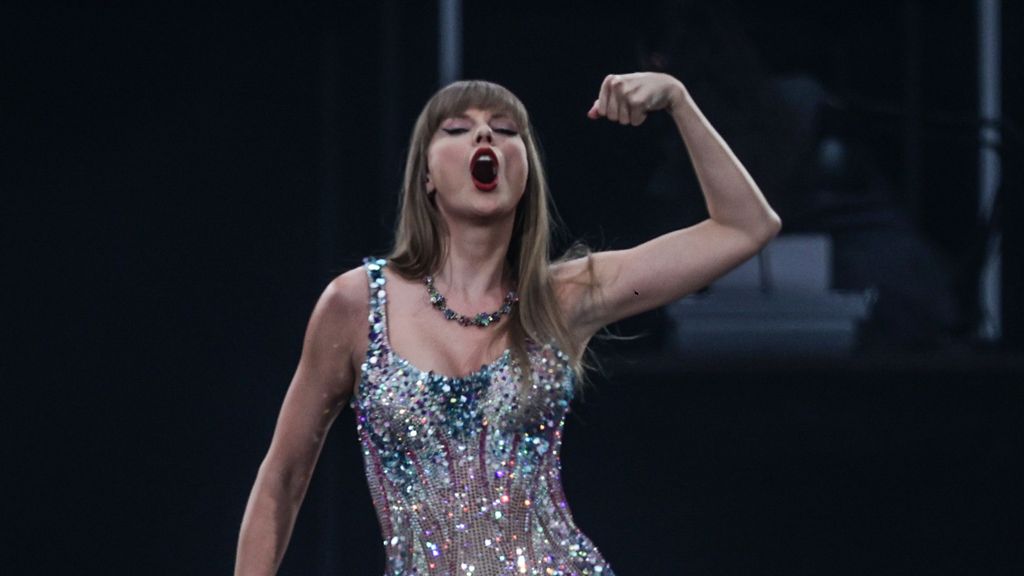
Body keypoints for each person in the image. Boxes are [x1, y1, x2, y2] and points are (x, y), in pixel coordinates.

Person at [234, 72, 781, 575]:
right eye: (457, 128)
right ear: (426, 174)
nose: (484, 140)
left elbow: (745, 227)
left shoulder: (563, 297)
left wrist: (677, 100)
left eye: (503, 130)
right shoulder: (356, 304)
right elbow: (282, 478)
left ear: (526, 173)